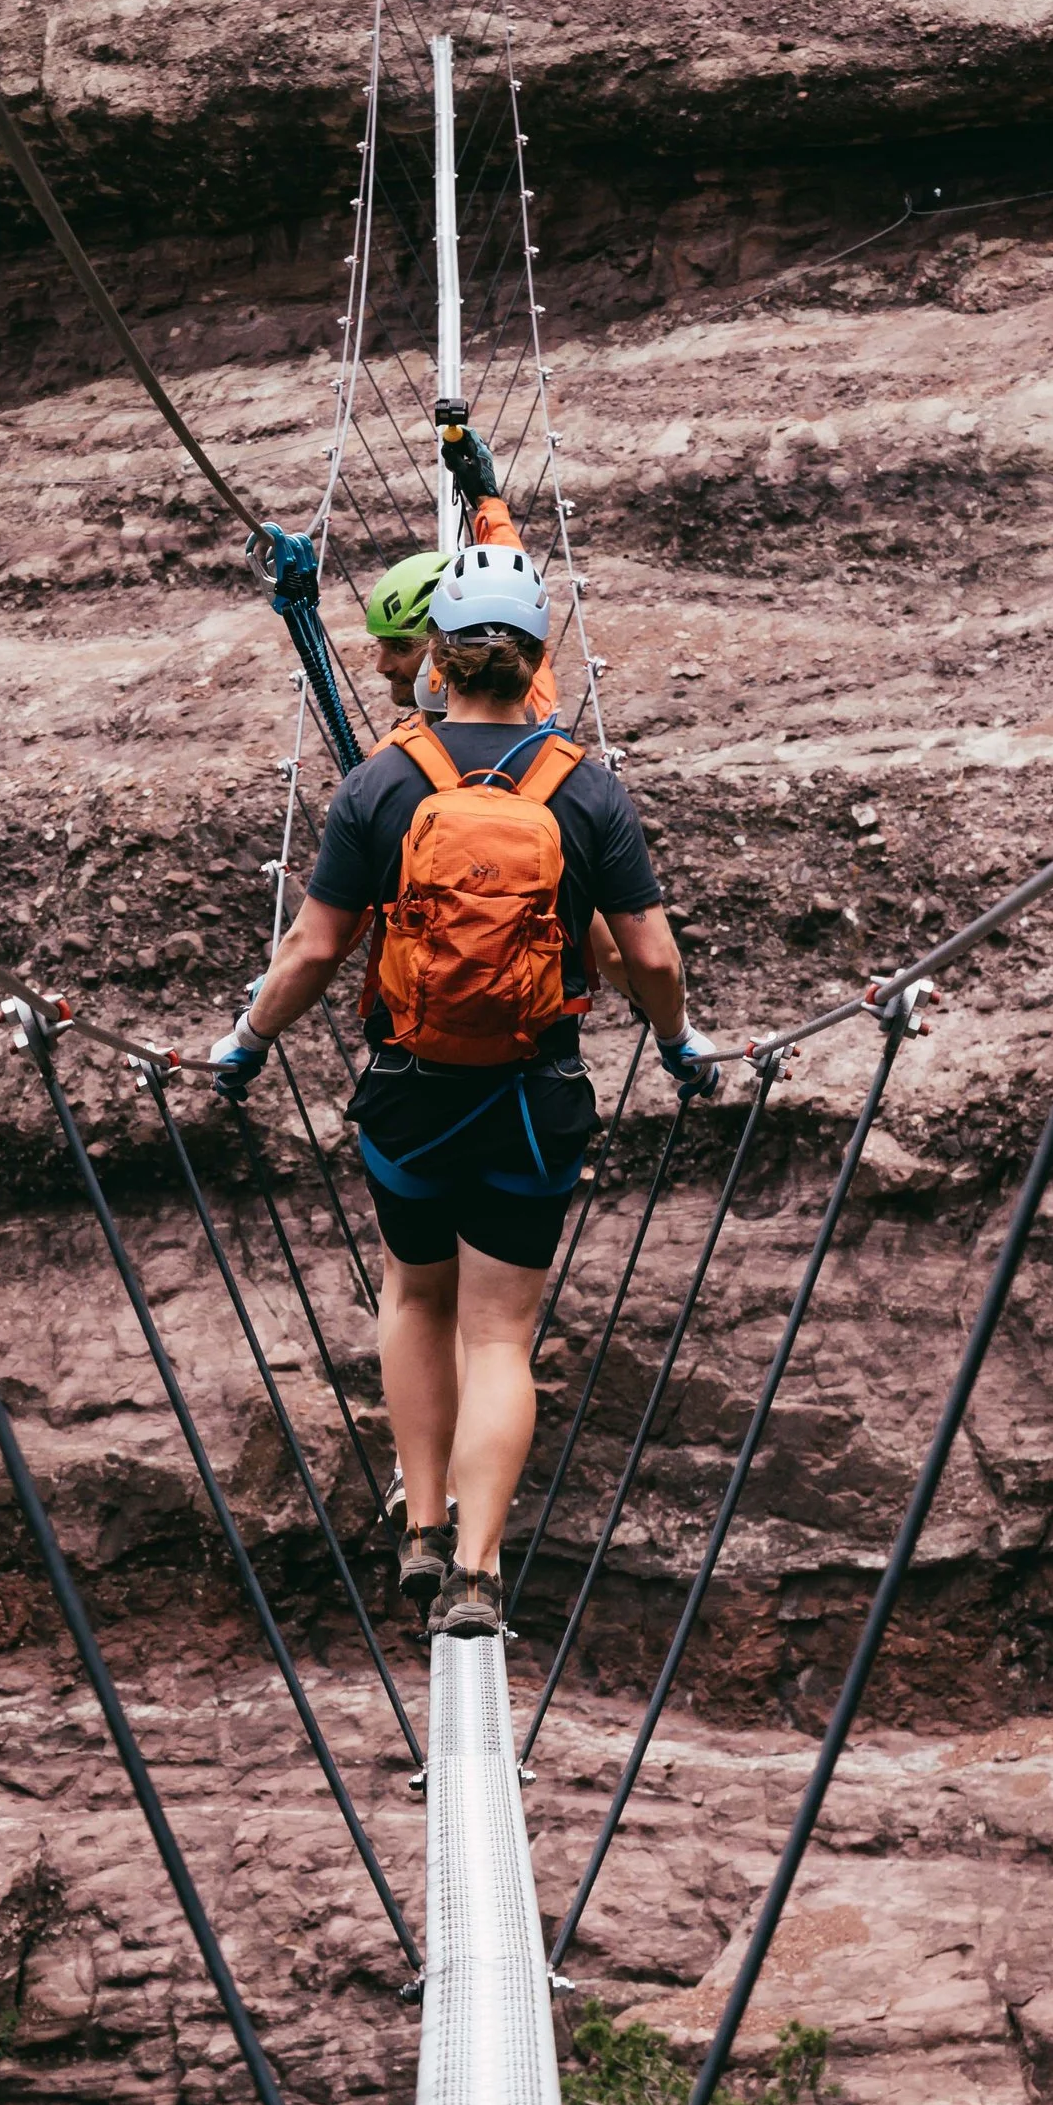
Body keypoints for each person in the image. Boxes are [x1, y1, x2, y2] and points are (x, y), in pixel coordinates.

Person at [205, 527, 718, 1644]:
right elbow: (656, 960)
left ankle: (424, 1528)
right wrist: (678, 1046)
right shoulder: (588, 793)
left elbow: (310, 951)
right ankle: (480, 1577)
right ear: (539, 654)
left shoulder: (381, 782)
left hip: (407, 1094)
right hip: (534, 1101)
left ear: (434, 655)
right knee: (499, 1336)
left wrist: (245, 1045)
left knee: (414, 1296)